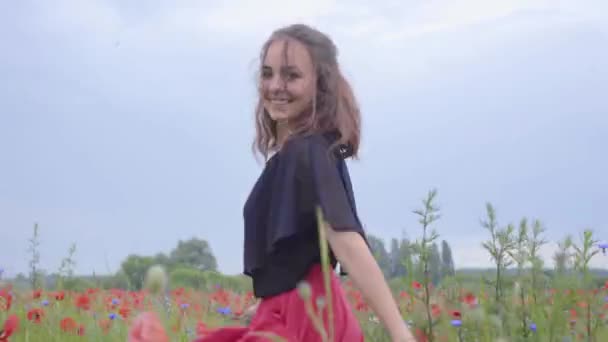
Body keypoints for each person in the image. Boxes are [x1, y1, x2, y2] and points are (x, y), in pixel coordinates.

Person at [196, 24, 416, 342]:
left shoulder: (309, 152)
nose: (275, 86)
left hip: (309, 320)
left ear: (320, 84)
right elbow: (295, 254)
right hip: (287, 315)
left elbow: (346, 242)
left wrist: (400, 333)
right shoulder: (290, 157)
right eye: (267, 74)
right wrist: (266, 301)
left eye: (291, 76)